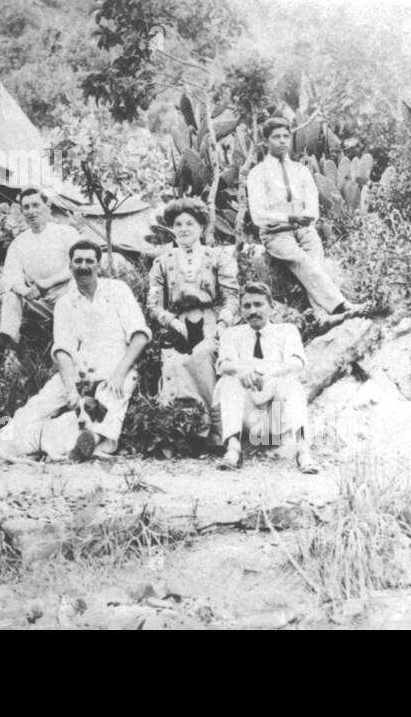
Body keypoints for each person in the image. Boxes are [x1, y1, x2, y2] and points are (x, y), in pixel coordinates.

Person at [0, 240, 150, 461]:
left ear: (99, 266)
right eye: (78, 261)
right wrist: (70, 388)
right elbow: (63, 350)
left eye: (90, 261)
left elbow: (140, 335)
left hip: (118, 365)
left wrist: (119, 374)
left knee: (110, 400)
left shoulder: (117, 290)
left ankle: (89, 443)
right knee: (39, 403)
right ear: (70, 266)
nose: (84, 266)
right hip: (82, 368)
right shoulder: (65, 303)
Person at [246, 115, 366, 322]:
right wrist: (288, 217)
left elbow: (312, 205)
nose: (282, 141)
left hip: (305, 230)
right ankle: (341, 305)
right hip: (276, 234)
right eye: (276, 137)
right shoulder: (257, 173)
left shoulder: (300, 170)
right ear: (266, 141)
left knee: (315, 265)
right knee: (302, 261)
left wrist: (306, 217)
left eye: (286, 136)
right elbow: (258, 214)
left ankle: (321, 315)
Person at [147, 197, 239, 446]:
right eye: (178, 224)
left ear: (201, 227)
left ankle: (215, 432)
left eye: (190, 223)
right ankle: (181, 433)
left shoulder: (217, 257)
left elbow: (232, 297)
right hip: (177, 327)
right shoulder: (162, 262)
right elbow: (153, 304)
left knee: (204, 355)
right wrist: (171, 321)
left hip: (210, 322)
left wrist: (222, 323)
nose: (184, 229)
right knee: (175, 363)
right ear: (172, 228)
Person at [213, 282, 319, 474]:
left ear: (272, 306)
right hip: (250, 420)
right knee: (229, 379)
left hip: (277, 418)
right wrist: (241, 369)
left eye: (258, 304)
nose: (253, 311)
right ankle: (233, 449)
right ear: (241, 311)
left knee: (290, 380)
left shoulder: (286, 330)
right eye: (247, 306)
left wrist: (269, 372)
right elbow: (222, 364)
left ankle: (303, 452)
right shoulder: (231, 334)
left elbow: (297, 362)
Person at [0, 188, 81, 348]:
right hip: (39, 300)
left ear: (47, 207)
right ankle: (9, 348)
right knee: (11, 296)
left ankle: (71, 347)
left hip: (66, 294)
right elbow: (10, 276)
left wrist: (49, 282)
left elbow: (79, 265)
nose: (31, 211)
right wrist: (24, 291)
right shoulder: (19, 243)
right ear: (22, 212)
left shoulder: (66, 233)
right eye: (26, 208)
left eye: (36, 205)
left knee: (78, 284)